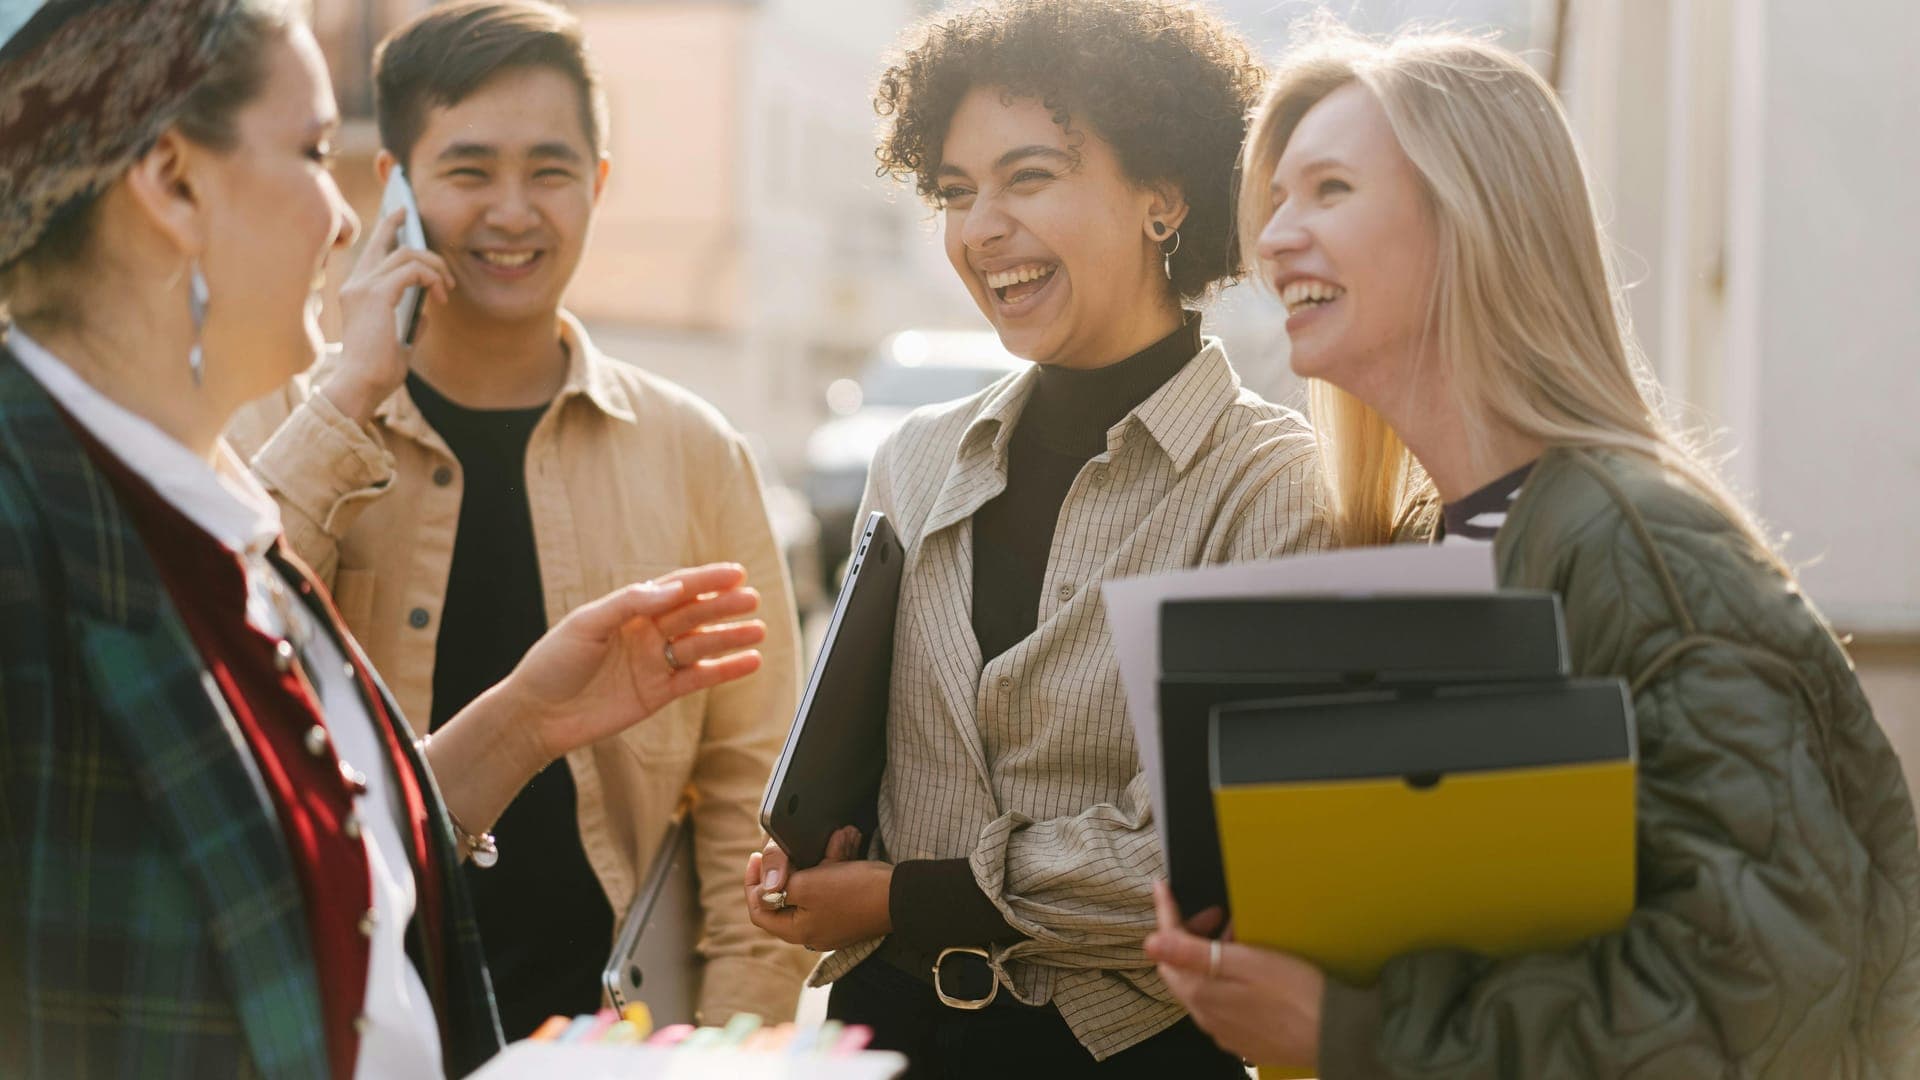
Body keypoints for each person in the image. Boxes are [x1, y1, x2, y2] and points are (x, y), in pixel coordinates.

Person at [0, 2, 768, 1076]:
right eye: (317, 154)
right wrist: (351, 392)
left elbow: (318, 861)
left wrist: (526, 721)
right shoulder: (57, 512)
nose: (345, 219)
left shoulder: (201, 499)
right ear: (173, 182)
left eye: (549, 170)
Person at [1145, 24, 1920, 1077]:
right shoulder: (1439, 544)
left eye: (1328, 190)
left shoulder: (1645, 549)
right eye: (1276, 200)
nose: (1274, 239)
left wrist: (1355, 1036)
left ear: (1475, 221)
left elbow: (1767, 993)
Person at [741, 1, 1327, 1075]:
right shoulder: (912, 460)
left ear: (1165, 198)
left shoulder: (1272, 485)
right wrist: (812, 848)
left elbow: (1204, 856)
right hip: (887, 1041)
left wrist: (905, 896)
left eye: (1030, 177)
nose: (980, 228)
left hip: (1126, 1057)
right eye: (957, 192)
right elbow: (881, 757)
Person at [224, 0, 810, 1036]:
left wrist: (738, 1048)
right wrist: (352, 393)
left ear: (600, 184)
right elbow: (215, 656)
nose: (512, 210)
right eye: (467, 170)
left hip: (604, 1034)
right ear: (393, 187)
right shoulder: (281, 416)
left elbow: (752, 801)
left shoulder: (693, 451)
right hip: (343, 1018)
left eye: (549, 169)